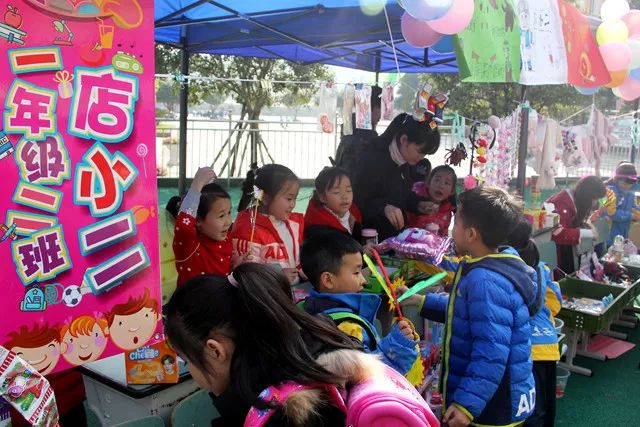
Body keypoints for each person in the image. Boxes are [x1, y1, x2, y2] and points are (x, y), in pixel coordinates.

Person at [164, 263, 376, 427]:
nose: (192, 372)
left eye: (187, 360)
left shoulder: (276, 416)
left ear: (214, 350)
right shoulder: (324, 353)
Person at [401, 187, 537, 427]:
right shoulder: (496, 265)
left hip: (492, 405)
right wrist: (421, 301)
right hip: (494, 396)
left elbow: (491, 351)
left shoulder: (484, 280)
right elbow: (468, 310)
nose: (451, 231)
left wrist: (466, 405)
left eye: (456, 223)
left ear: (472, 234)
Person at [298, 233, 419, 375]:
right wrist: (398, 344)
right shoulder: (346, 327)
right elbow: (369, 376)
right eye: (356, 272)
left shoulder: (303, 309)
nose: (364, 280)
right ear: (328, 280)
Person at [507, 219, 563, 427]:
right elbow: (556, 304)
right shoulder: (542, 269)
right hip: (548, 345)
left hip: (527, 349)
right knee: (546, 404)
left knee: (530, 407)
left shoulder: (505, 270)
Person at [351, 113, 441, 241]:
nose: (421, 158)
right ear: (404, 140)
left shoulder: (405, 161)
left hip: (393, 238)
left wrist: (418, 204)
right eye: (419, 151)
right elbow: (356, 200)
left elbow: (401, 196)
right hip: (369, 240)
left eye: (425, 154)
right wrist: (384, 208)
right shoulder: (371, 159)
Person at [232, 164, 304, 284]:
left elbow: (296, 260)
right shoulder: (248, 230)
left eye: (295, 199)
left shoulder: (293, 223)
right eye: (289, 199)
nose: (293, 204)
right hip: (269, 293)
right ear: (265, 198)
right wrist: (278, 276)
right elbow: (248, 275)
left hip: (294, 289)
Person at [168, 167, 234, 287]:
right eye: (221, 216)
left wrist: (237, 264)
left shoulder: (226, 239)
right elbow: (184, 227)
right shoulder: (190, 247)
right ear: (197, 220)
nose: (228, 221)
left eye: (229, 212)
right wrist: (196, 186)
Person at [545, 176, 607, 275]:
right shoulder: (561, 203)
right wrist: (589, 233)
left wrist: (589, 226)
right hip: (553, 255)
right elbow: (558, 233)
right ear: (587, 196)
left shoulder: (575, 199)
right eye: (595, 199)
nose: (596, 203)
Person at [304, 167, 362, 242]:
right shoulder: (318, 229)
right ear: (323, 197)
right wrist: (361, 249)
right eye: (336, 192)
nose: (345, 197)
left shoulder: (353, 214)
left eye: (348, 190)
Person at [334, 85, 382, 173]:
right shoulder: (366, 136)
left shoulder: (350, 127)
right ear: (369, 107)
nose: (382, 114)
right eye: (380, 107)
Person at [406, 165, 457, 236]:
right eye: (437, 180)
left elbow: (443, 235)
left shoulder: (447, 210)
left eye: (446, 183)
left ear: (452, 191)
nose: (441, 186)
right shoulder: (415, 200)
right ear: (428, 183)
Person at [605, 162, 639, 246]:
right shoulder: (608, 191)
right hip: (612, 235)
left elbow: (637, 206)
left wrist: (637, 213)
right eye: (624, 184)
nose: (628, 186)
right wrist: (630, 216)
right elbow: (609, 213)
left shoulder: (637, 188)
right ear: (617, 179)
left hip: (631, 235)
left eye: (631, 184)